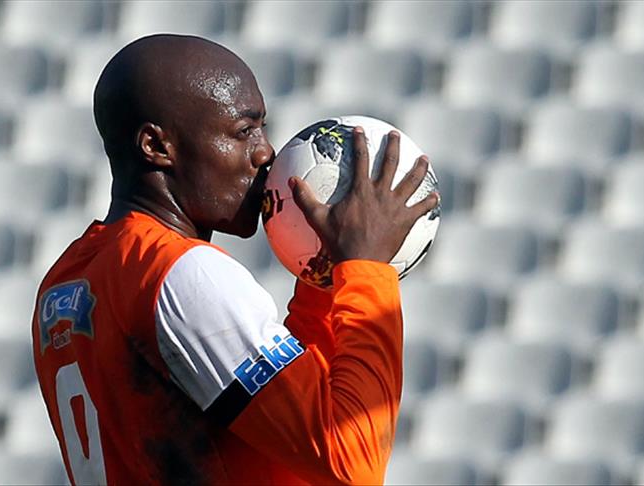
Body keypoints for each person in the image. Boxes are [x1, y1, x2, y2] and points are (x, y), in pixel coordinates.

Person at [32, 34, 439, 485]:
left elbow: (291, 416)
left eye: (263, 128)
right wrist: (366, 269)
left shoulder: (66, 280)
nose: (265, 152)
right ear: (157, 146)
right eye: (244, 131)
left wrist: (321, 275)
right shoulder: (182, 273)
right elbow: (352, 461)